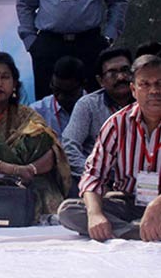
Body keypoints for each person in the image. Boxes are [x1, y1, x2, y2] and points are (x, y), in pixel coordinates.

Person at [0, 52, 71, 220]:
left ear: (15, 84)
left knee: (41, 135)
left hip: (28, 177)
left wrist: (30, 170)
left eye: (5, 77)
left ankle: (47, 217)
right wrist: (14, 170)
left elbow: (53, 152)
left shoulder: (26, 114)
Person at [58, 54, 161, 241]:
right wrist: (95, 214)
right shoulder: (116, 124)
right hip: (129, 202)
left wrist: (157, 205)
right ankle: (141, 232)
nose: (154, 91)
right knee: (69, 211)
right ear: (134, 90)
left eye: (159, 83)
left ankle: (134, 231)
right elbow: (94, 175)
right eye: (145, 84)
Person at [62, 47, 135, 181]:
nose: (121, 77)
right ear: (100, 81)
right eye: (112, 73)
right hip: (99, 181)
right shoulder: (88, 105)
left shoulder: (148, 102)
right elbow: (69, 148)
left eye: (125, 70)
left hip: (142, 182)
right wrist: (95, 176)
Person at [30, 56, 86, 138]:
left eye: (68, 93)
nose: (61, 97)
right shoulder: (37, 112)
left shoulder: (98, 109)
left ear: (83, 85)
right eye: (56, 90)